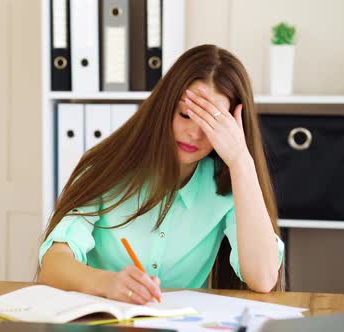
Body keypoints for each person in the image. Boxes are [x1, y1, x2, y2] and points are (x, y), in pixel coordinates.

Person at [38, 44, 285, 305]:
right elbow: (54, 265)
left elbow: (263, 278)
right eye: (185, 115)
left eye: (212, 123)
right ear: (164, 106)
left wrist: (241, 160)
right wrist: (107, 283)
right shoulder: (105, 168)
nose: (194, 133)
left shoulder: (227, 184)